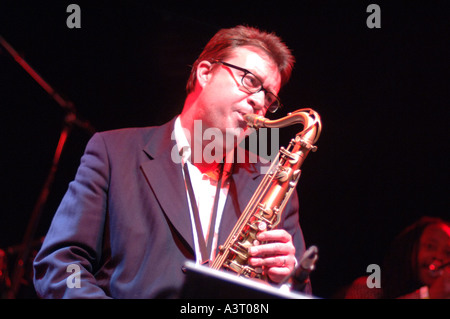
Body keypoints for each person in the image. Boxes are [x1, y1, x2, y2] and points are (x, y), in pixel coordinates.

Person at [33, 25, 310, 298]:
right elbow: (60, 265)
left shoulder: (273, 181)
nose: (259, 101)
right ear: (205, 73)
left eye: (270, 96)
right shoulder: (114, 152)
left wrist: (285, 280)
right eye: (250, 81)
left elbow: (300, 292)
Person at [341, 216, 450, 299]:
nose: (439, 256)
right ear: (409, 248)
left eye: (448, 253)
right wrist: (428, 295)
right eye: (430, 246)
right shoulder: (369, 287)